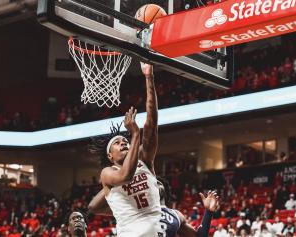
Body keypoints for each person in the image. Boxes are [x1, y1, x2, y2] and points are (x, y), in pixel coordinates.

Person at [89, 63, 161, 237]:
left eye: (125, 140)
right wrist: (135, 134)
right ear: (109, 155)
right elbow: (126, 177)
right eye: (117, 143)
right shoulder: (107, 173)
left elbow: (151, 125)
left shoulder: (143, 159)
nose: (123, 143)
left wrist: (149, 78)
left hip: (158, 229)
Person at [89, 177, 220, 237]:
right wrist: (118, 179)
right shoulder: (134, 208)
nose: (154, 184)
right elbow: (94, 207)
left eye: (157, 182)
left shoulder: (175, 214)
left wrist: (208, 212)